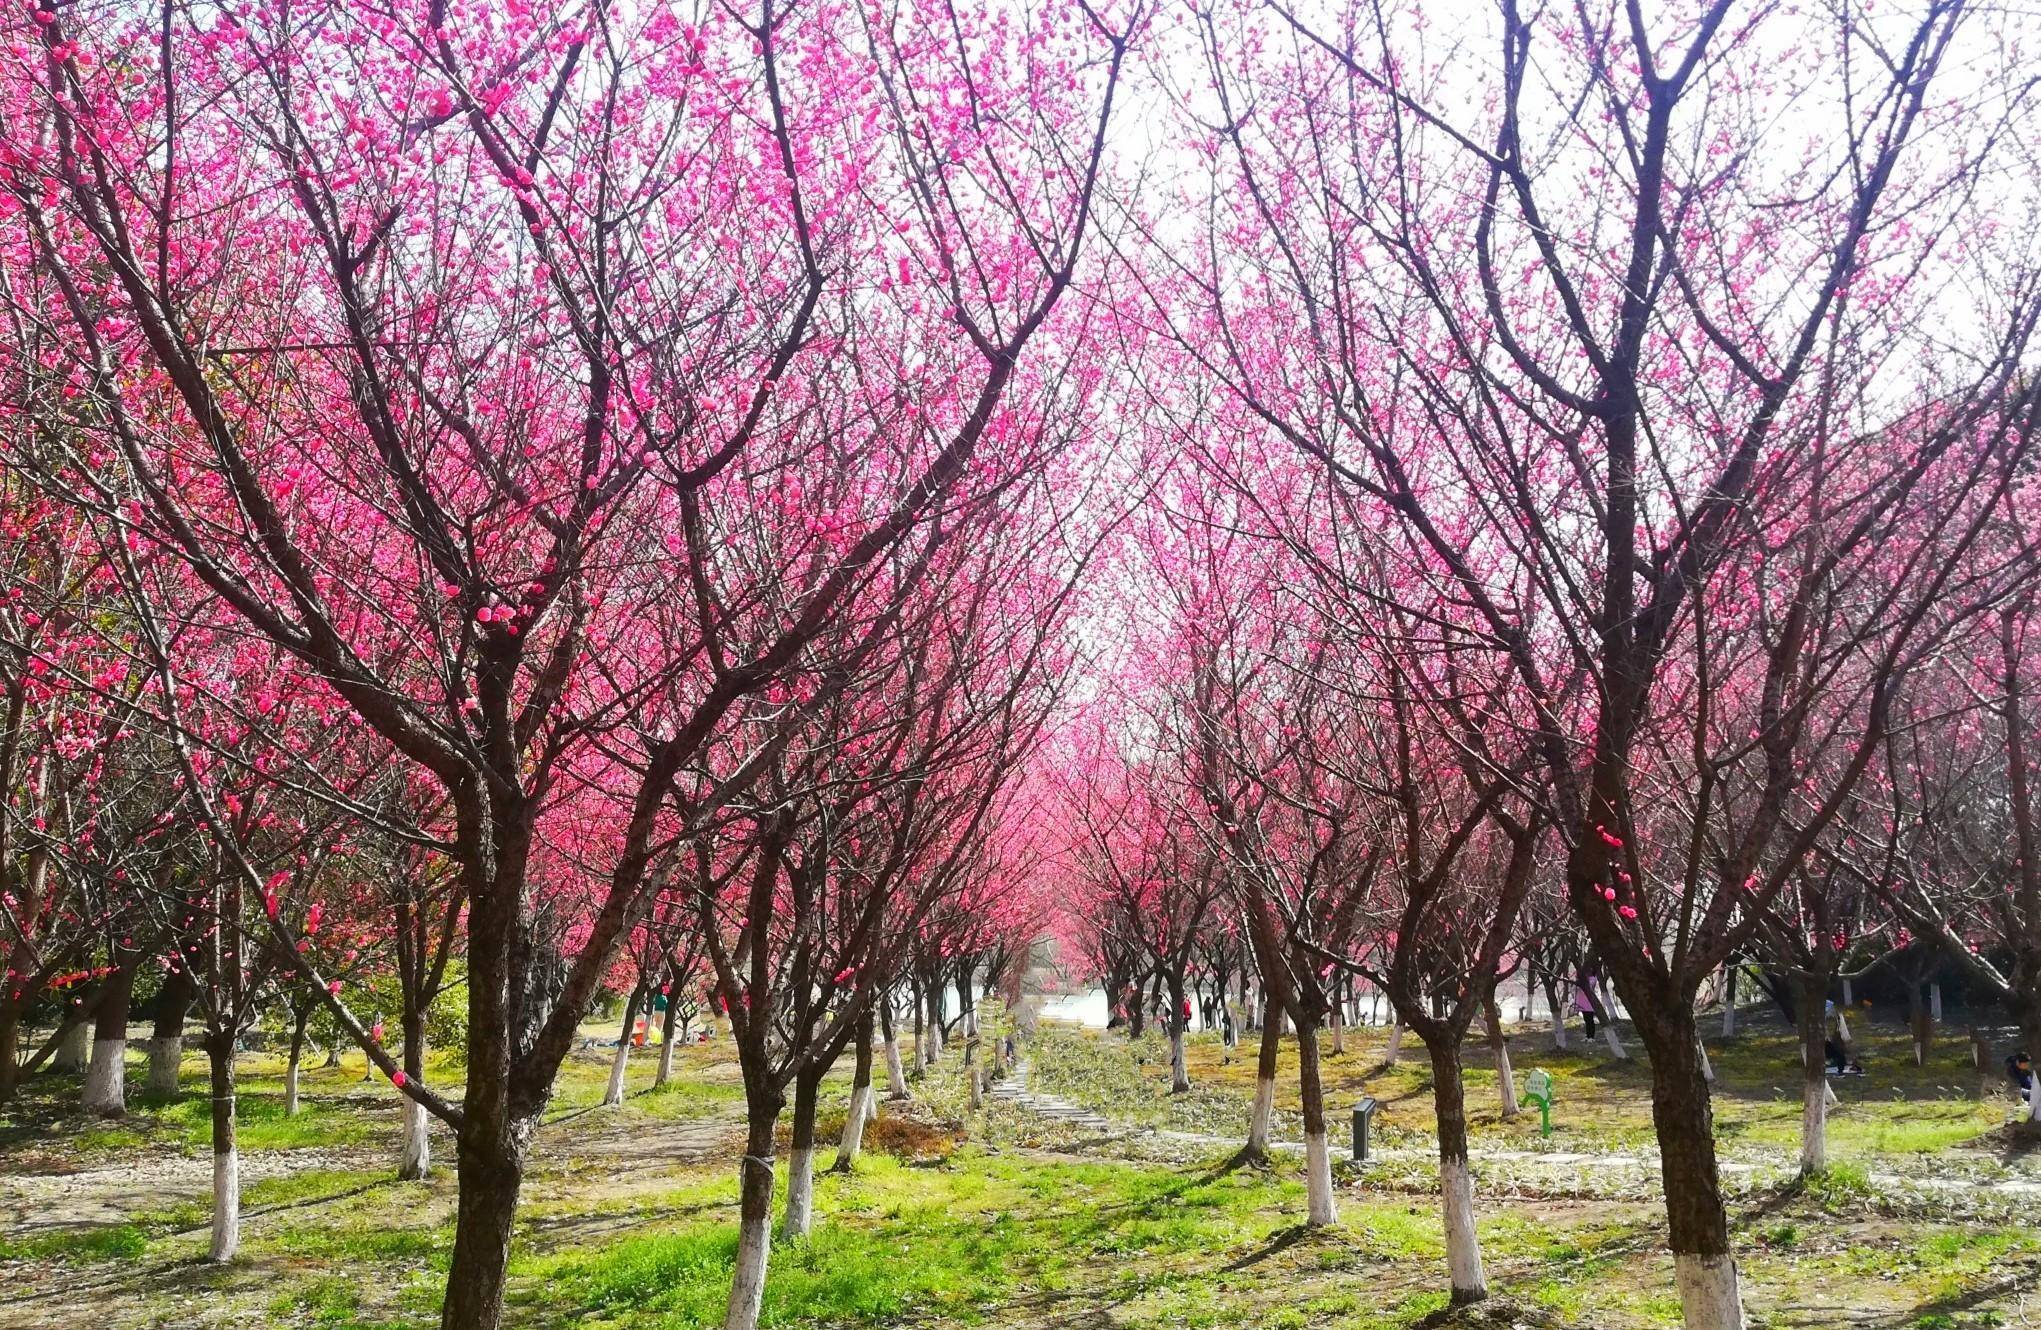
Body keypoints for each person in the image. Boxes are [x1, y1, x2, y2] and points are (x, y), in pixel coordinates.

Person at [1574, 974, 1599, 1039]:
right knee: (1586, 1020)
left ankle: (1591, 1037)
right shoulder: (1581, 977)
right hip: (1582, 1002)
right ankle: (1588, 1036)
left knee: (1590, 1020)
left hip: (1589, 1002)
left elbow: (1589, 986)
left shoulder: (1593, 978)